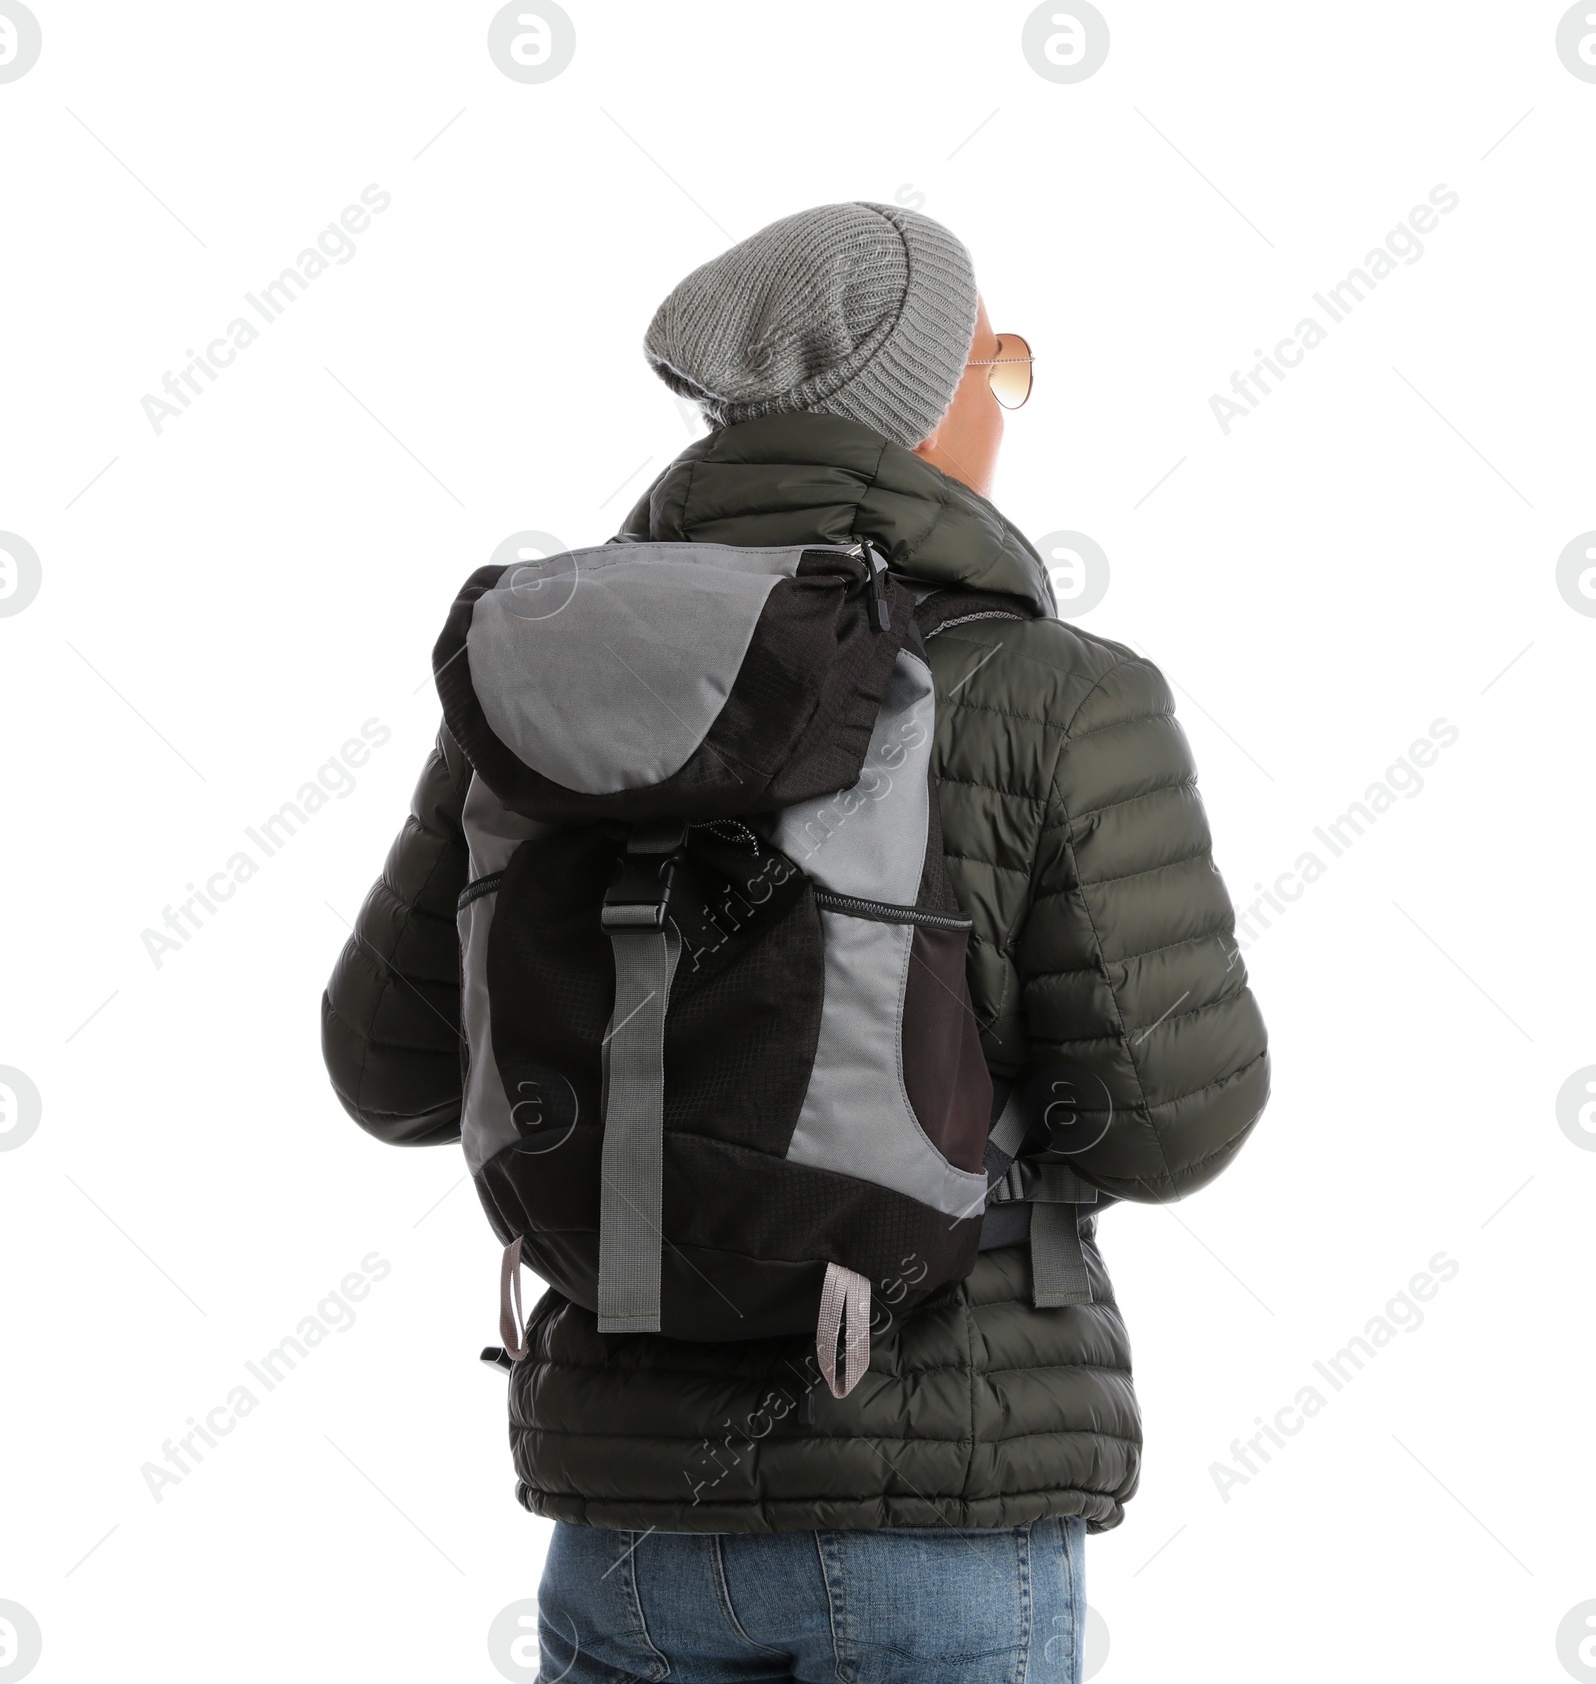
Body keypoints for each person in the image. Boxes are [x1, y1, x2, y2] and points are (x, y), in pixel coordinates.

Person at [322, 201, 1269, 1684]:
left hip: (628, 1515)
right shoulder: (1060, 692)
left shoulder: (541, 685)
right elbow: (1172, 1125)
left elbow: (385, 1070)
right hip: (946, 1504)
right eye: (995, 365)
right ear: (920, 410)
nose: (1006, 399)